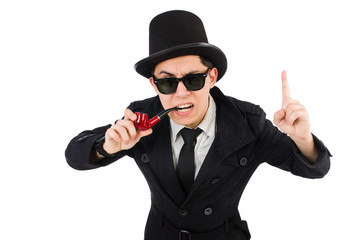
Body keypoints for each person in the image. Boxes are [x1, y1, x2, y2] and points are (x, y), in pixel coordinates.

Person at [65, 10, 331, 240]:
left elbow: (315, 169)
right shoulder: (140, 118)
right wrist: (106, 147)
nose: (180, 93)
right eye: (167, 82)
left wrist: (302, 138)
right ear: (153, 84)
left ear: (212, 77)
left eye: (193, 80)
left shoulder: (248, 124)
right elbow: (74, 154)